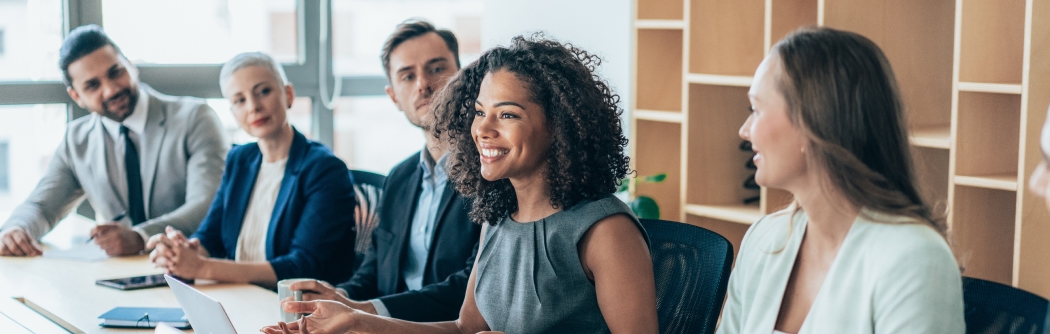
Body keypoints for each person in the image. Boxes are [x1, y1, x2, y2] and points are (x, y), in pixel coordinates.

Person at [263, 35, 659, 334]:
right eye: (479, 112)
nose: (482, 130)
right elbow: (462, 329)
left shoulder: (606, 231)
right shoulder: (499, 215)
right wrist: (357, 321)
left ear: (560, 126)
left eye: (506, 115)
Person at [717, 27, 964, 333]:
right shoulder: (762, 241)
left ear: (812, 121)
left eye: (756, 109)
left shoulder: (914, 258)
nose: (744, 130)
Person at [286, 19, 482, 322]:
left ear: (461, 76)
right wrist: (342, 296)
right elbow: (376, 267)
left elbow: (472, 287)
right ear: (393, 97)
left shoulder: (490, 171)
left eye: (436, 68)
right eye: (407, 76)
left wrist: (367, 311)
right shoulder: (400, 178)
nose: (423, 84)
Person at [0, 24, 227, 257]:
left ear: (131, 65)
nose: (110, 90)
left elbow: (207, 204)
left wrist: (140, 237)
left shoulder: (195, 118)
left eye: (115, 72)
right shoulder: (77, 141)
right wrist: (16, 229)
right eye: (92, 85)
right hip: (120, 274)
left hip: (198, 269)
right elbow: (41, 207)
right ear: (76, 96)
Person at [145, 52, 357, 288]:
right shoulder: (239, 159)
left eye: (263, 92)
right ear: (233, 113)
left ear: (288, 94)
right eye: (240, 100)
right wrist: (183, 252)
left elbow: (303, 266)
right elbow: (211, 235)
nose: (254, 107)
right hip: (240, 295)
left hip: (297, 309)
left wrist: (202, 267)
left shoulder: (324, 169)